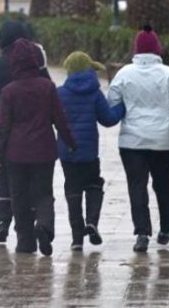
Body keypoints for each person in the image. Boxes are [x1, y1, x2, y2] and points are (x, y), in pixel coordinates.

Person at [107, 25, 169, 253]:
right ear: (157, 49)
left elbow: (111, 102)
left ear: (136, 50)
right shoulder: (167, 74)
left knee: (137, 186)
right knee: (163, 183)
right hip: (160, 141)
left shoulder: (124, 73)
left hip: (131, 142)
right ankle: (167, 226)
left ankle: (141, 233)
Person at [0, 38, 77, 256]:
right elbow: (60, 119)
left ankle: (25, 242)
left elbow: (1, 128)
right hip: (44, 151)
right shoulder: (47, 87)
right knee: (44, 193)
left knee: (19, 196)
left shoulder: (9, 91)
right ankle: (45, 227)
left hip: (16, 154)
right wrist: (70, 142)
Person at [0, 20, 49, 245]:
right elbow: (49, 95)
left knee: (0, 175)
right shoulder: (36, 66)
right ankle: (29, 222)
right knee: (29, 181)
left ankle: (3, 218)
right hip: (33, 136)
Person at [57, 51, 125, 251]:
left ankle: (77, 238)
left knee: (72, 189)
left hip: (66, 152)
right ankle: (92, 222)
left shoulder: (60, 93)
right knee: (94, 184)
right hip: (89, 152)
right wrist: (122, 107)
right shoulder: (94, 93)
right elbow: (109, 119)